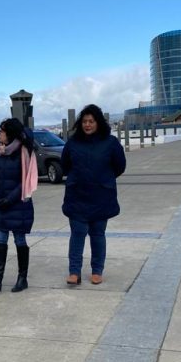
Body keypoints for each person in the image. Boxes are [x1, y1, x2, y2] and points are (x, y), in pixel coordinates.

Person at [60, 104, 126, 285]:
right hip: (77, 196)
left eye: (91, 121)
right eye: (84, 121)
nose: (87, 125)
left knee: (98, 234)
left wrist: (104, 179)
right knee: (77, 233)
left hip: (101, 196)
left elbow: (120, 166)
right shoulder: (73, 143)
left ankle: (97, 270)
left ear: (98, 123)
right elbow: (65, 165)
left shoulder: (110, 142)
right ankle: (74, 271)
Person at [0, 118, 38, 293]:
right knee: (0, 240)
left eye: (2, 131)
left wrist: (9, 199)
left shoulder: (24, 152)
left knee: (19, 240)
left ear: (10, 133)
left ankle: (22, 278)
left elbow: (25, 181)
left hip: (18, 205)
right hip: (0, 203)